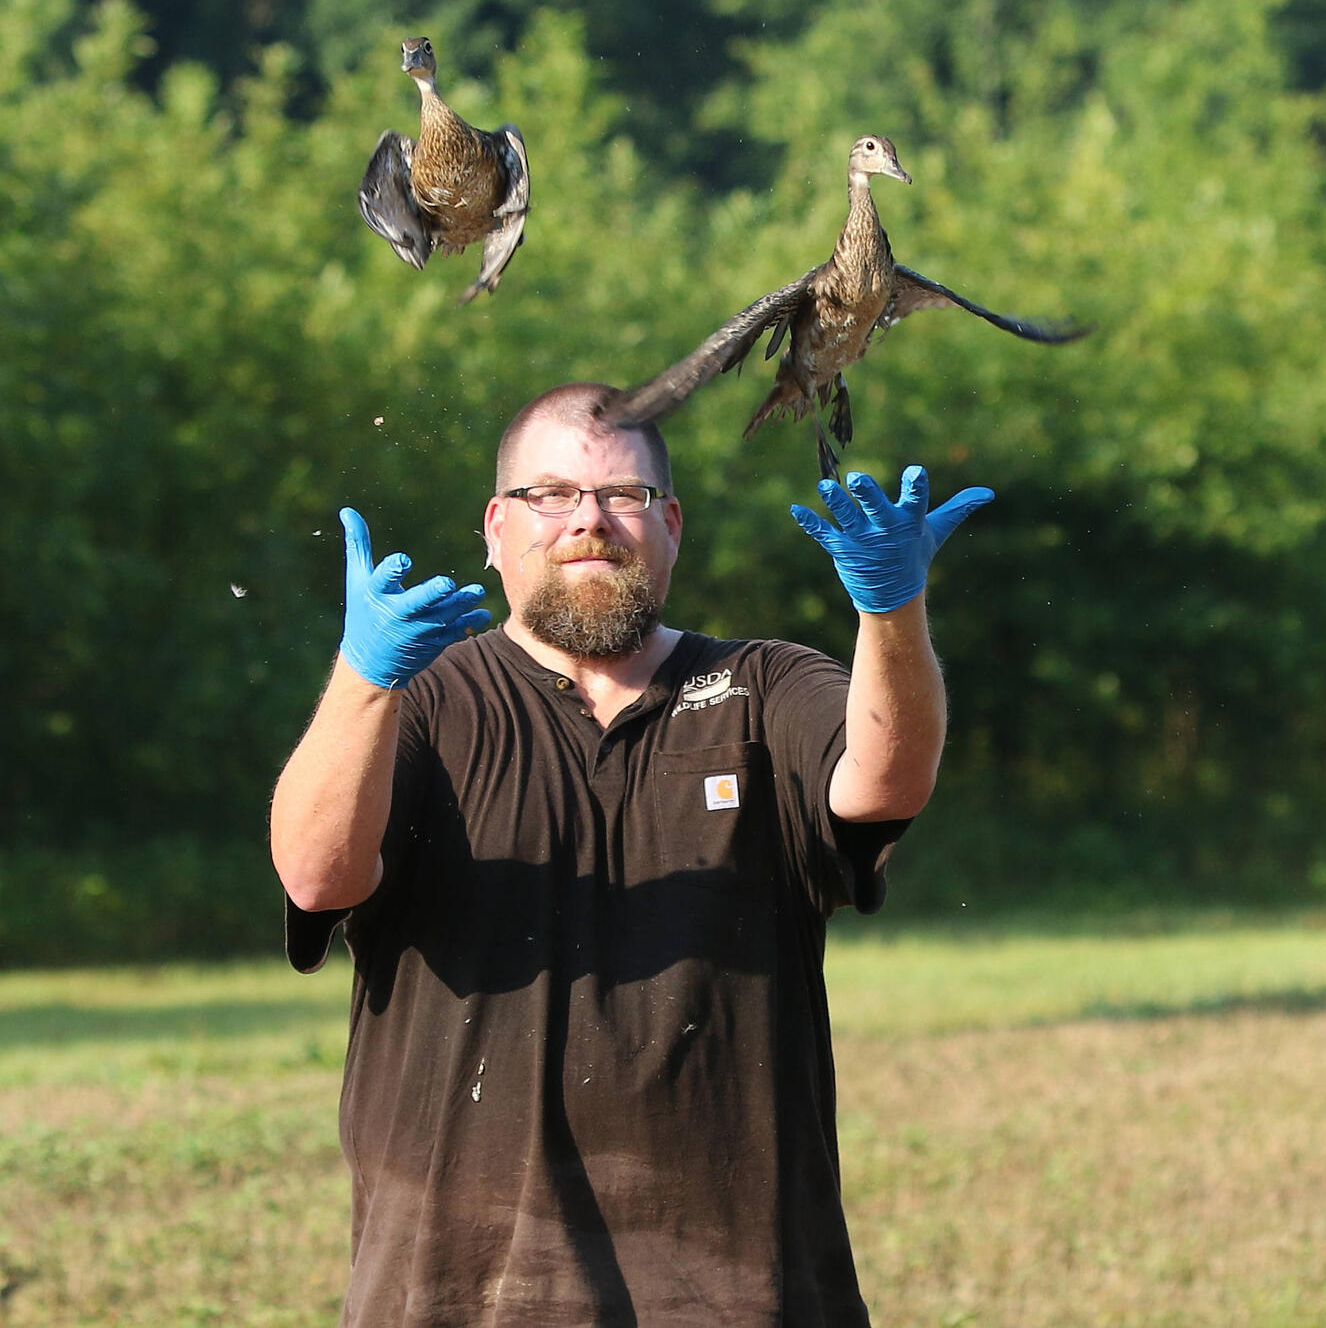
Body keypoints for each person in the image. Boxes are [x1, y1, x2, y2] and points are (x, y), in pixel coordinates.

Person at [270, 382, 993, 1328]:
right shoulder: (424, 703)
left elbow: (885, 783)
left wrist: (892, 612)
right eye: (552, 495)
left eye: (625, 496)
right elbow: (317, 874)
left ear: (673, 524)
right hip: (460, 1290)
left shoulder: (763, 685)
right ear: (495, 526)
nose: (591, 521)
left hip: (742, 1291)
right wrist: (366, 680)